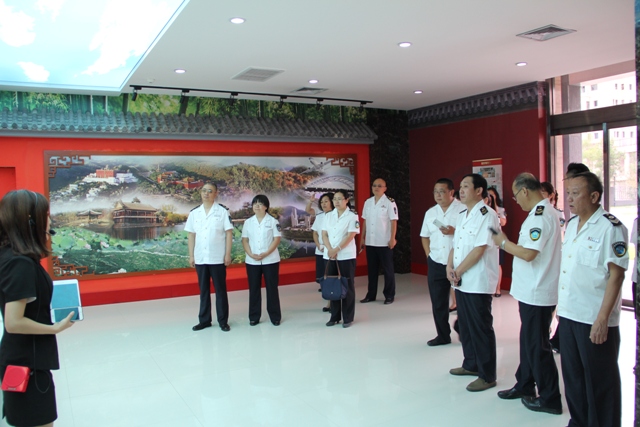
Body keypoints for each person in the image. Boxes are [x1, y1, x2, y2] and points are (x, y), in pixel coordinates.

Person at [0, 190, 75, 427]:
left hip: (24, 357)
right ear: (30, 220)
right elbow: (14, 322)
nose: (49, 220)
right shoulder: (19, 264)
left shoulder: (11, 256)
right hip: (27, 364)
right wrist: (55, 328)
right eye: (46, 214)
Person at [558, 171, 627, 427]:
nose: (569, 198)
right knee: (573, 378)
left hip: (593, 317)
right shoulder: (571, 224)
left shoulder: (611, 228)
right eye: (568, 193)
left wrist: (602, 319)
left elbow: (616, 276)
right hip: (569, 314)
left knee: (600, 382)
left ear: (595, 196)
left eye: (575, 193)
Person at [491, 173, 563, 415]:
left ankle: (550, 398)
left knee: (537, 346)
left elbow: (529, 253)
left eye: (515, 195)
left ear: (524, 191)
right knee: (529, 341)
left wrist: (503, 243)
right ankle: (524, 384)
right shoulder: (540, 213)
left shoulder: (541, 217)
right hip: (532, 290)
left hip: (537, 290)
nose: (516, 200)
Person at [446, 174, 500, 392]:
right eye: (460, 186)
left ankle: (487, 375)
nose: (461, 190)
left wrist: (457, 271)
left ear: (479, 191)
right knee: (466, 326)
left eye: (466, 186)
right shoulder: (462, 213)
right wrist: (449, 267)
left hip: (478, 280)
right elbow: (456, 244)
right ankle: (471, 364)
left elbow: (479, 249)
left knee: (480, 328)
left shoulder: (488, 215)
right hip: (461, 280)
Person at [420, 178, 463, 346]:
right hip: (436, 262)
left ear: (451, 192)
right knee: (438, 302)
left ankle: (464, 329)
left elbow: (470, 234)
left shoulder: (463, 209)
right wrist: (428, 255)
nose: (438, 195)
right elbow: (424, 236)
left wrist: (454, 231)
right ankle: (443, 335)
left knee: (464, 301)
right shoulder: (431, 213)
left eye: (442, 191)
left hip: (459, 263)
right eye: (435, 192)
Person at [185, 183, 233, 332]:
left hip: (217, 257)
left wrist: (227, 254)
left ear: (215, 193)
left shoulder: (222, 212)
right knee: (203, 290)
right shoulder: (194, 213)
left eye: (210, 191)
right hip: (200, 257)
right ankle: (204, 320)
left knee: (220, 290)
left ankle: (223, 321)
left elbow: (229, 233)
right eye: (204, 191)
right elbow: (191, 235)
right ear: (201, 193)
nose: (206, 193)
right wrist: (191, 255)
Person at [241, 195, 282, 326]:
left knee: (272, 288)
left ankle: (275, 316)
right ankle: (254, 316)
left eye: (260, 204)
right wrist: (250, 254)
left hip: (270, 260)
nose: (257, 206)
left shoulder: (273, 221)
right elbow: (245, 240)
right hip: (252, 261)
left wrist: (266, 253)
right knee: (254, 289)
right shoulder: (248, 222)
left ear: (266, 207)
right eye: (255, 204)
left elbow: (276, 239)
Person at [322, 190, 359, 328]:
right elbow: (324, 234)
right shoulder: (328, 216)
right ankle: (335, 316)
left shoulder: (352, 216)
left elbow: (350, 236)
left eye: (339, 199)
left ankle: (348, 317)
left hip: (345, 256)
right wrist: (330, 249)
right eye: (334, 199)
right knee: (333, 285)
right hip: (329, 255)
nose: (336, 202)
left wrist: (336, 249)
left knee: (347, 286)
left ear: (346, 200)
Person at [359, 178, 398, 304]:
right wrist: (362, 238)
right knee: (372, 270)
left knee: (388, 270)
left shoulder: (389, 202)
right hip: (371, 241)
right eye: (374, 185)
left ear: (385, 188)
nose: (376, 188)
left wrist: (392, 238)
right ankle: (371, 295)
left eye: (380, 186)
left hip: (384, 241)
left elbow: (393, 221)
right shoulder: (368, 202)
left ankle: (389, 295)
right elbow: (365, 221)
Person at [311, 193, 334, 312]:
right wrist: (318, 245)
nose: (323, 204)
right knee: (323, 277)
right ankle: (329, 300)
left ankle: (332, 303)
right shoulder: (320, 216)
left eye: (326, 201)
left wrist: (329, 247)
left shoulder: (336, 215)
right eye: (322, 202)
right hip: (320, 251)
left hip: (331, 251)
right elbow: (315, 233)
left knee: (331, 277)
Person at [487, 187, 506, 297]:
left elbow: (503, 222)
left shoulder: (500, 209)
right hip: (487, 240)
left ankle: (498, 288)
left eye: (492, 195)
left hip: (497, 241)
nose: (490, 197)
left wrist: (496, 213)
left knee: (498, 264)